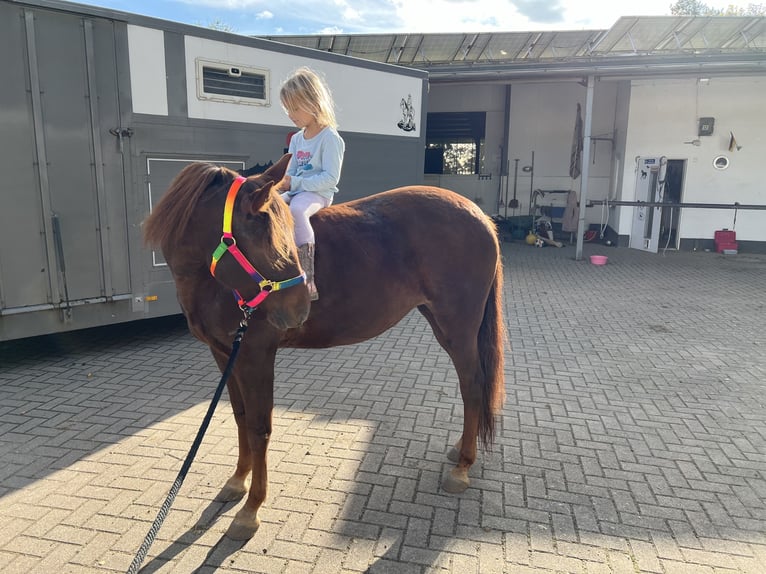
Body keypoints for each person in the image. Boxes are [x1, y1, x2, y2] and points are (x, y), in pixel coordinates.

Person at [275, 67, 345, 301]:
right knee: (271, 208)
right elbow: (291, 171)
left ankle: (308, 277)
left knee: (296, 211)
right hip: (297, 190)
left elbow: (330, 178)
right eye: (287, 108)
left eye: (295, 108)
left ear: (314, 102)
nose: (290, 114)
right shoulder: (296, 138)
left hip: (319, 193)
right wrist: (283, 184)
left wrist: (293, 182)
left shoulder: (330, 138)